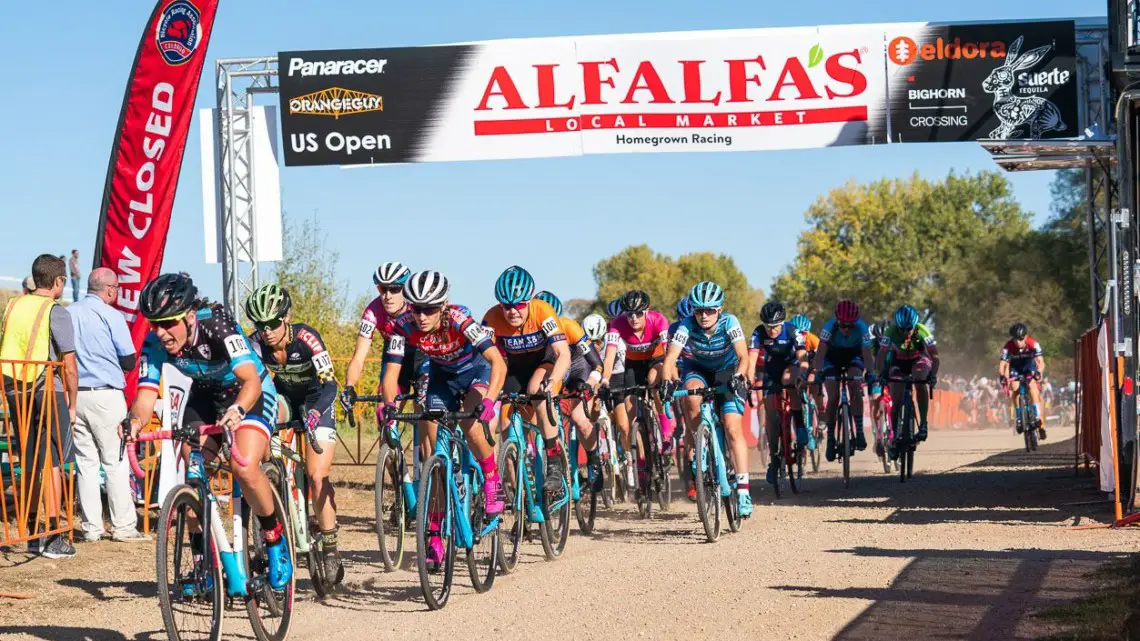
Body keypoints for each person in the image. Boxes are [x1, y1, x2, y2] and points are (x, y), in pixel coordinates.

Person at [123, 273, 292, 590]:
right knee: (194, 474)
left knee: (244, 465)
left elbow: (251, 380)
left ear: (188, 316)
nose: (160, 332)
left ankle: (274, 540)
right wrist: (133, 422)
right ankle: (203, 564)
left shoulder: (216, 323)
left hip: (249, 393)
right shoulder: (154, 342)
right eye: (154, 324)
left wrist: (238, 411)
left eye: (168, 323)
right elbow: (145, 397)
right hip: (205, 398)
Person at [382, 270, 506, 565]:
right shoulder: (401, 326)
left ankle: (492, 479)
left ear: (443, 306)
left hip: (476, 373)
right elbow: (391, 374)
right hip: (441, 377)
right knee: (435, 454)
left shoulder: (459, 320)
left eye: (429, 309)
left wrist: (489, 401)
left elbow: (497, 362)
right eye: (416, 308)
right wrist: (389, 406)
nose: (421, 316)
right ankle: (435, 531)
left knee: (470, 426)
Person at [245, 283, 343, 585]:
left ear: (286, 318)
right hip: (286, 400)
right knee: (261, 426)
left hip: (317, 401)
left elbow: (330, 383)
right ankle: (272, 483)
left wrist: (315, 413)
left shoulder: (307, 338)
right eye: (260, 326)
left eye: (273, 324)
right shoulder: (256, 344)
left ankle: (329, 545)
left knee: (316, 475)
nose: (267, 331)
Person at [1, 254, 79, 559]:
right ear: (59, 282)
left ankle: (32, 532)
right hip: (46, 388)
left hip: (13, 388)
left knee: (32, 460)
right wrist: (72, 404)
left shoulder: (13, 305)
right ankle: (53, 535)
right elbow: (69, 365)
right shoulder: (55, 311)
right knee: (55, 461)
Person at [68, 268, 148, 543]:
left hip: (76, 395)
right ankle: (123, 526)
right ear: (111, 289)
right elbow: (128, 359)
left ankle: (92, 528)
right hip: (106, 394)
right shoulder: (111, 315)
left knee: (86, 464)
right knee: (115, 461)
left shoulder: (68, 312)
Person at [661, 281, 753, 516]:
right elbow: (671, 358)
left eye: (709, 310)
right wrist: (666, 383)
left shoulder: (730, 322)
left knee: (732, 429)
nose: (704, 316)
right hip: (698, 369)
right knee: (690, 396)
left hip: (727, 369)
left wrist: (739, 377)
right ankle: (700, 443)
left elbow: (743, 356)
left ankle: (743, 491)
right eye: (699, 310)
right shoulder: (686, 324)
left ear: (719, 309)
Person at [482, 268, 571, 492]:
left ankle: (553, 462)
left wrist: (554, 381)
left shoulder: (543, 311)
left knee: (537, 392)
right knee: (504, 425)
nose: (512, 311)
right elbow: (484, 360)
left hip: (544, 363)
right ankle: (519, 491)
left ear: (529, 300)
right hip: (513, 369)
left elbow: (563, 353)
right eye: (506, 306)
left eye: (519, 305)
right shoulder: (491, 318)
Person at [599, 290, 671, 497]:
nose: (633, 318)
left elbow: (668, 353)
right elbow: (610, 355)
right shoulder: (617, 324)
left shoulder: (658, 320)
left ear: (646, 312)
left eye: (638, 314)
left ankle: (665, 436)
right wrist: (605, 379)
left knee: (653, 383)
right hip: (633, 365)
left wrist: (668, 378)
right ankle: (640, 466)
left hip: (656, 360)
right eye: (629, 314)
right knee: (630, 418)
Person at [534, 290, 605, 491]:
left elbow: (597, 364)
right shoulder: (529, 331)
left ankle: (593, 460)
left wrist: (590, 383)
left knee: (581, 420)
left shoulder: (570, 327)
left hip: (576, 368)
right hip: (550, 369)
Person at [748, 301, 809, 486]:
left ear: (782, 323)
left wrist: (804, 374)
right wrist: (749, 382)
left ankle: (799, 425)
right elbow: (751, 361)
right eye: (768, 326)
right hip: (771, 369)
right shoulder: (758, 332)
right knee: (770, 412)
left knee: (790, 381)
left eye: (775, 326)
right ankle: (774, 461)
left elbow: (803, 357)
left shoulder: (792, 331)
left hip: (792, 365)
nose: (772, 330)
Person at [813, 300, 874, 462]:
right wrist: (819, 372)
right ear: (837, 321)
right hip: (832, 358)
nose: (846, 329)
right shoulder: (829, 327)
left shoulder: (862, 328)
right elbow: (820, 354)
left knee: (855, 385)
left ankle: (859, 432)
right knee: (832, 396)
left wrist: (870, 373)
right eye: (843, 325)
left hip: (854, 357)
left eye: (850, 326)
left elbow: (867, 354)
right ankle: (831, 438)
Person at [875, 305, 940, 450]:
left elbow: (935, 357)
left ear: (914, 325)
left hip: (919, 360)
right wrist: (881, 375)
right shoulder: (890, 331)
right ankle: (894, 433)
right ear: (897, 326)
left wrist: (933, 375)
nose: (905, 333)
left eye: (908, 329)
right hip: (899, 362)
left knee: (919, 380)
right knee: (896, 399)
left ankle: (923, 424)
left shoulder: (922, 330)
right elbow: (881, 356)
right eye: (901, 329)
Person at [999, 322, 1047, 441]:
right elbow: (1002, 365)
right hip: (1015, 368)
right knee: (1014, 390)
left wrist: (1039, 372)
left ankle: (1037, 417)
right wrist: (1002, 376)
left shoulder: (1033, 344)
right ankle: (1019, 417)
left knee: (1033, 389)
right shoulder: (1008, 346)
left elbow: (1041, 362)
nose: (1018, 342)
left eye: (1020, 339)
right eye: (1015, 339)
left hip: (1029, 367)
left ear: (1026, 336)